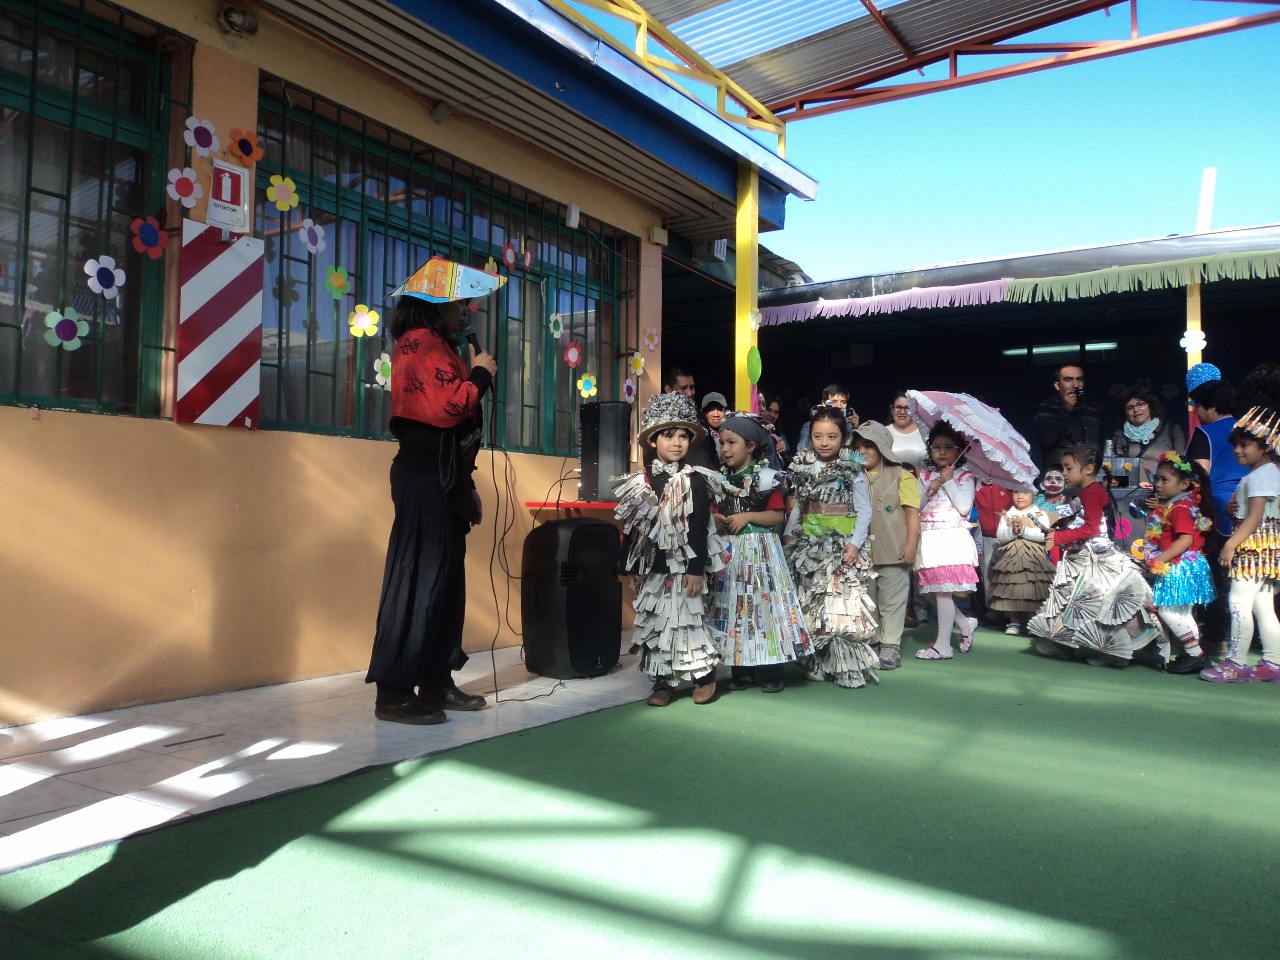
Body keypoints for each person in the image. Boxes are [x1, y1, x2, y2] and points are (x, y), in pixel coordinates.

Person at [366, 258, 502, 724]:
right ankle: (394, 692)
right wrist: (480, 374)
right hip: (424, 474)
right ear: (434, 306)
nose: (465, 311)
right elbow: (448, 409)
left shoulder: (438, 345)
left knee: (444, 583)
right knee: (419, 578)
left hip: (441, 474)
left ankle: (437, 680)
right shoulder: (421, 344)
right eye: (458, 303)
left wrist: (464, 485)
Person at [613, 392, 725, 706]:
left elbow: (700, 526)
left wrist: (695, 569)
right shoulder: (640, 481)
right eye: (668, 436)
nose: (676, 443)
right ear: (653, 440)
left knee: (688, 620)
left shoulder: (694, 480)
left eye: (683, 437)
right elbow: (634, 527)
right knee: (656, 623)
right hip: (653, 568)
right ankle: (663, 682)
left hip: (684, 567)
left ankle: (703, 675)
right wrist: (630, 566)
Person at [1028, 445, 1163, 666]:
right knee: (1078, 599)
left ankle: (1109, 650)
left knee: (1088, 598)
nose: (1064, 473)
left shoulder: (1091, 492)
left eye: (1069, 468)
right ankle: (1065, 643)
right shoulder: (1088, 491)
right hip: (1087, 553)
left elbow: (1091, 528)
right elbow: (1073, 515)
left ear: (1088, 469)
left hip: (1094, 557)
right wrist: (1053, 525)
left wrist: (1060, 536)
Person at [710, 414, 812, 693]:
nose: (725, 449)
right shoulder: (719, 480)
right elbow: (715, 511)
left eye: (732, 442)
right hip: (731, 555)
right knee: (735, 609)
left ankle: (772, 670)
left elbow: (777, 515)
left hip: (761, 554)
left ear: (751, 446)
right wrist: (717, 519)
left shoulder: (767, 477)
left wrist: (748, 517)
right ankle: (741, 670)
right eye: (722, 443)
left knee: (765, 609)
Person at [784, 407, 879, 688]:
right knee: (812, 606)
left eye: (832, 436)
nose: (824, 442)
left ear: (844, 438)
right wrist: (789, 534)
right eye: (818, 436)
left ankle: (845, 666)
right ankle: (818, 661)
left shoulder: (851, 467)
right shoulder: (802, 466)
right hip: (808, 550)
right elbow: (799, 506)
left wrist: (854, 544)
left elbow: (864, 510)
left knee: (841, 607)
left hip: (841, 550)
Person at [1199, 407, 1280, 683]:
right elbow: (1250, 510)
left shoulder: (1264, 474)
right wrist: (1233, 508)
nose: (1237, 451)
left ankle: (1236, 663)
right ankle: (1273, 662)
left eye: (1245, 445)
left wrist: (1231, 544)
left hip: (1254, 549)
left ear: (1265, 446)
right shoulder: (1258, 474)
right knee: (1262, 606)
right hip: (1262, 550)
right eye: (1236, 445)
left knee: (1237, 602)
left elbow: (1255, 517)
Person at [1185, 372, 1247, 654]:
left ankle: (1214, 638)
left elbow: (1199, 476)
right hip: (1253, 503)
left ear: (1211, 407)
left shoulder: (1205, 433)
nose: (1196, 413)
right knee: (1249, 575)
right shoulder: (1248, 429)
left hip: (1218, 507)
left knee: (1216, 576)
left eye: (1197, 406)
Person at [1140, 454, 1217, 675]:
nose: (1158, 484)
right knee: (1182, 613)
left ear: (1184, 484)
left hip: (1179, 566)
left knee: (1168, 610)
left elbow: (1186, 540)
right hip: (1187, 564)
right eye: (1157, 479)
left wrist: (1159, 559)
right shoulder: (1180, 504)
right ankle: (1193, 653)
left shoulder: (1181, 507)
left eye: (1164, 480)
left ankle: (1195, 654)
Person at [852, 421, 920, 670]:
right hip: (861, 554)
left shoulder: (902, 475)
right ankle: (872, 643)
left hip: (894, 549)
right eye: (857, 446)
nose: (862, 451)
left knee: (893, 600)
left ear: (882, 446)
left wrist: (911, 545)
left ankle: (891, 645)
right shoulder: (850, 475)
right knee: (867, 599)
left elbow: (912, 513)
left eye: (868, 445)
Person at [913, 422, 981, 660]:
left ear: (959, 450)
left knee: (942, 592)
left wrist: (949, 481)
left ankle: (943, 645)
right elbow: (916, 507)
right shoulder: (925, 476)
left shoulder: (965, 476)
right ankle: (964, 623)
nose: (942, 451)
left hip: (951, 538)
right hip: (928, 537)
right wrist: (929, 489)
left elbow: (964, 508)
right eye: (936, 447)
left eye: (948, 447)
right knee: (929, 590)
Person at [1107, 386, 1187, 546]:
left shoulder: (1172, 430)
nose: (1136, 410)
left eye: (1140, 404)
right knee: (1133, 546)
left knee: (1164, 543)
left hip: (1166, 499)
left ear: (1150, 405)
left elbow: (1182, 469)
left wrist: (1160, 489)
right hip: (1132, 503)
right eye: (1130, 407)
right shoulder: (1120, 437)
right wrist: (1133, 484)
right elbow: (1115, 475)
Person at [988, 489, 1054, 637]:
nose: (1020, 496)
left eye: (1025, 492)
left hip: (1035, 557)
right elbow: (1000, 536)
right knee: (1011, 588)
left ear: (1034, 495)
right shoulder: (1007, 515)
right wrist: (1013, 530)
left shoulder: (1040, 514)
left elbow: (1044, 535)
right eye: (1016, 492)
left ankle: (1033, 622)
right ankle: (1014, 621)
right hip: (1011, 557)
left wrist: (1023, 530)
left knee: (1034, 587)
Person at [1032, 364, 1100, 468]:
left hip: (1087, 472)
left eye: (1079, 379)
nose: (1075, 385)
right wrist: (1066, 409)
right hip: (1058, 472)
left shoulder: (1091, 411)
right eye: (1068, 379)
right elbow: (1046, 441)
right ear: (1057, 385)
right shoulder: (1047, 407)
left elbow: (1096, 445)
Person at [796, 383, 859, 453]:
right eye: (834, 401)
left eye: (843, 402)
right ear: (824, 403)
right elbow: (801, 450)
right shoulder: (809, 425)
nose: (839, 406)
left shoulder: (848, 426)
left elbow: (856, 451)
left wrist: (856, 428)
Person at [888, 392, 928, 471]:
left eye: (907, 408)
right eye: (898, 407)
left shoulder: (924, 431)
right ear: (891, 409)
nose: (902, 412)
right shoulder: (883, 432)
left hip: (921, 478)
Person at [759, 391, 792, 466]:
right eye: (769, 410)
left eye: (776, 412)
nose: (772, 415)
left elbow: (790, 463)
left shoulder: (780, 435)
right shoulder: (753, 431)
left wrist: (785, 451)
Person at [700, 391, 728, 464]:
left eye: (720, 409)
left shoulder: (734, 434)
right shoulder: (700, 437)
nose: (716, 414)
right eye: (711, 410)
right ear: (703, 413)